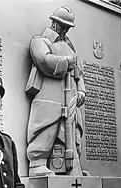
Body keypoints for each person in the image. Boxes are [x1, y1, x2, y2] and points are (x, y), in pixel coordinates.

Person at [26, 6, 86, 177]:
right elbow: (43, 60)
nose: (64, 29)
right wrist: (67, 61)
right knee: (46, 125)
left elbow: (79, 73)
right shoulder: (40, 41)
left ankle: (72, 167)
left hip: (71, 95)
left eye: (67, 26)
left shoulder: (70, 46)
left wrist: (81, 90)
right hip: (49, 93)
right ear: (53, 22)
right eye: (61, 24)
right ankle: (37, 164)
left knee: (72, 131)